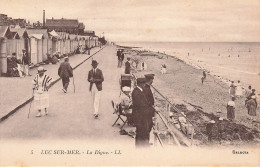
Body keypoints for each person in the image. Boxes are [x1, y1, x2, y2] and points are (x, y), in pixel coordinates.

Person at [132, 78, 151, 147]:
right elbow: (141, 106)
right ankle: (141, 148)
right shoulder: (137, 92)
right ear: (141, 84)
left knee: (141, 133)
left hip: (140, 117)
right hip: (140, 117)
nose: (144, 85)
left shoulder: (138, 91)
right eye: (144, 84)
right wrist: (152, 110)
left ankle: (141, 146)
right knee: (141, 132)